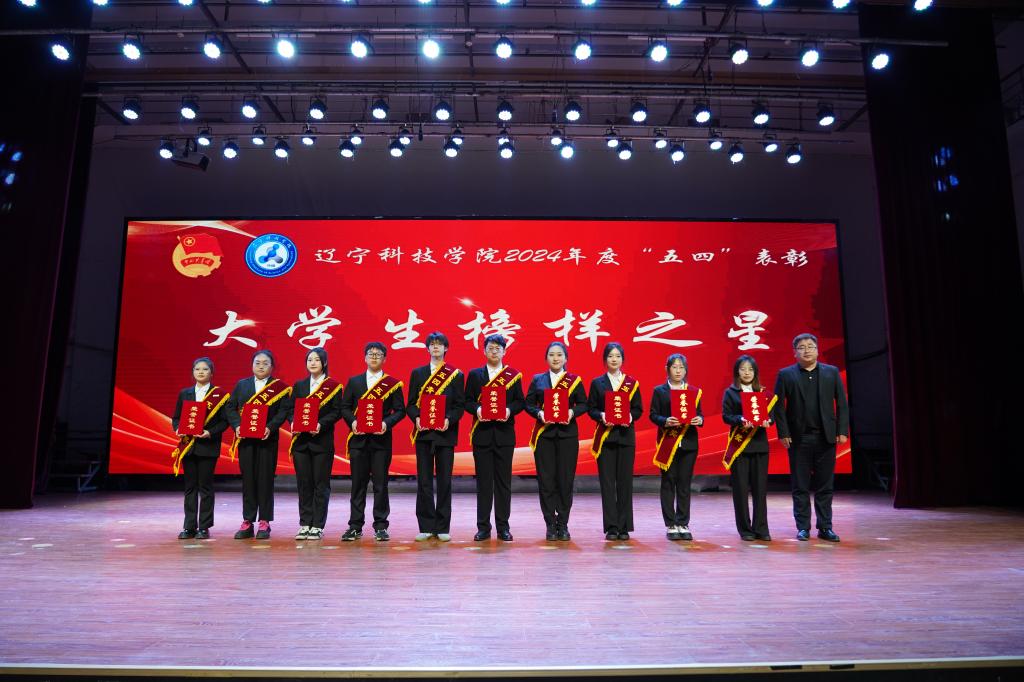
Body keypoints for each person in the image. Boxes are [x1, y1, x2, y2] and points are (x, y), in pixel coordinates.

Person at [773, 333, 850, 542]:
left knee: (825, 486)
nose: (806, 350)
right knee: (800, 486)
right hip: (799, 438)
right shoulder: (786, 374)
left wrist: (842, 430)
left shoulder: (831, 372)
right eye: (801, 347)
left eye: (810, 346)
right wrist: (783, 432)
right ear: (795, 353)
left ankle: (825, 527)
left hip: (826, 437)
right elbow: (778, 407)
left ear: (817, 350)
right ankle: (803, 527)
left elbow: (842, 403)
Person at [338, 342, 406, 542]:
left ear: (385, 359)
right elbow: (344, 407)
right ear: (365, 358)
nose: (374, 357)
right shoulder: (355, 382)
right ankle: (355, 526)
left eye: (378, 354)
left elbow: (400, 410)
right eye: (371, 354)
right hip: (358, 440)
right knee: (357, 485)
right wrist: (353, 422)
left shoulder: (392, 384)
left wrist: (386, 423)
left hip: (381, 441)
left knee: (380, 485)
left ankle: (381, 526)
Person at [463, 334, 524, 542]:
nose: (494, 351)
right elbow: (467, 401)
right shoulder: (475, 375)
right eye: (490, 348)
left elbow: (520, 402)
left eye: (498, 348)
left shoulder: (513, 375)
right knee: (483, 484)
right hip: (482, 435)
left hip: (505, 436)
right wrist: (478, 409)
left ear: (504, 351)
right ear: (484, 351)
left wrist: (509, 410)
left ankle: (503, 527)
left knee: (503, 483)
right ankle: (483, 527)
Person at [525, 341, 587, 541]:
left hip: (568, 436)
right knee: (546, 481)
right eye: (551, 354)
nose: (555, 358)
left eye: (559, 354)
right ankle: (550, 524)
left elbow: (584, 404)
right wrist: (540, 413)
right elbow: (528, 404)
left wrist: (572, 412)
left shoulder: (574, 380)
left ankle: (563, 523)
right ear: (546, 358)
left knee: (565, 481)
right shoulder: (538, 380)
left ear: (565, 358)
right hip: (544, 436)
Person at [226, 350, 291, 540]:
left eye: (265, 363)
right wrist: (237, 426)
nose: (261, 366)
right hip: (246, 440)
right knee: (248, 480)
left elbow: (283, 411)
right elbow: (230, 407)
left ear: (272, 367)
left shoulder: (279, 388)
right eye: (257, 363)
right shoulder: (242, 385)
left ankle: (264, 521)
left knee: (265, 480)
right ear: (252, 365)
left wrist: (270, 427)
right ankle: (247, 521)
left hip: (267, 440)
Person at [406, 332, 465, 542]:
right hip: (423, 434)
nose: (436, 347)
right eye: (432, 344)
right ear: (428, 348)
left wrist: (449, 419)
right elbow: (410, 404)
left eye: (440, 344)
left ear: (446, 348)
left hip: (445, 434)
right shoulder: (418, 373)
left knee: (444, 481)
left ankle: (442, 527)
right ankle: (425, 526)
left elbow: (459, 405)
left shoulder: (456, 375)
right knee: (423, 481)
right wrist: (416, 418)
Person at [586, 342, 642, 541]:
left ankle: (624, 526)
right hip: (606, 438)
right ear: (605, 359)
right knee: (607, 484)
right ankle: (611, 527)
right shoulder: (597, 383)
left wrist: (629, 417)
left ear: (622, 359)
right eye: (610, 356)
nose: (614, 359)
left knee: (625, 483)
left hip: (626, 438)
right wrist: (602, 415)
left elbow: (638, 409)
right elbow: (591, 409)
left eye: (618, 356)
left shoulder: (632, 383)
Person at [170, 356, 230, 540]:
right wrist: (178, 429)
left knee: (205, 487)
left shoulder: (220, 395)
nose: (201, 372)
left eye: (205, 369)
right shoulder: (185, 393)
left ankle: (204, 526)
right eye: (197, 369)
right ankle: (189, 526)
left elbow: (225, 422)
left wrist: (209, 432)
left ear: (212, 373)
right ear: (193, 373)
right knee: (190, 487)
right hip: (188, 446)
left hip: (208, 446)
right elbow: (176, 418)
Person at [287, 347, 343, 541]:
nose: (312, 363)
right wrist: (292, 421)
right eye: (310, 359)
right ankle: (305, 523)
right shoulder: (299, 386)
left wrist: (320, 424)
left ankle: (318, 525)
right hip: (301, 443)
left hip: (322, 442)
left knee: (321, 484)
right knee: (304, 484)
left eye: (317, 360)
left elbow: (337, 412)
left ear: (324, 363)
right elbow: (290, 409)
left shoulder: (333, 386)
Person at [648, 353, 704, 541]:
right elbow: (653, 415)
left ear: (686, 370)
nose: (678, 371)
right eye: (674, 367)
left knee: (684, 483)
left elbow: (700, 415)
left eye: (681, 367)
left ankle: (683, 522)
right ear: (667, 369)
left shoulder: (694, 392)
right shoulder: (660, 391)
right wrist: (665, 420)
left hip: (688, 444)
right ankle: (671, 523)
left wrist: (699, 419)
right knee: (668, 482)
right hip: (667, 443)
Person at [722, 355, 776, 542]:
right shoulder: (730, 392)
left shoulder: (764, 393)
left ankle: (761, 528)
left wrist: (769, 421)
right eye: (743, 369)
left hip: (760, 445)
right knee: (741, 490)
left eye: (750, 369)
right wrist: (739, 419)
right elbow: (726, 416)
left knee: (760, 490)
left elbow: (771, 416)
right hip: (740, 448)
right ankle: (745, 529)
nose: (747, 373)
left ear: (755, 372)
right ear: (737, 371)